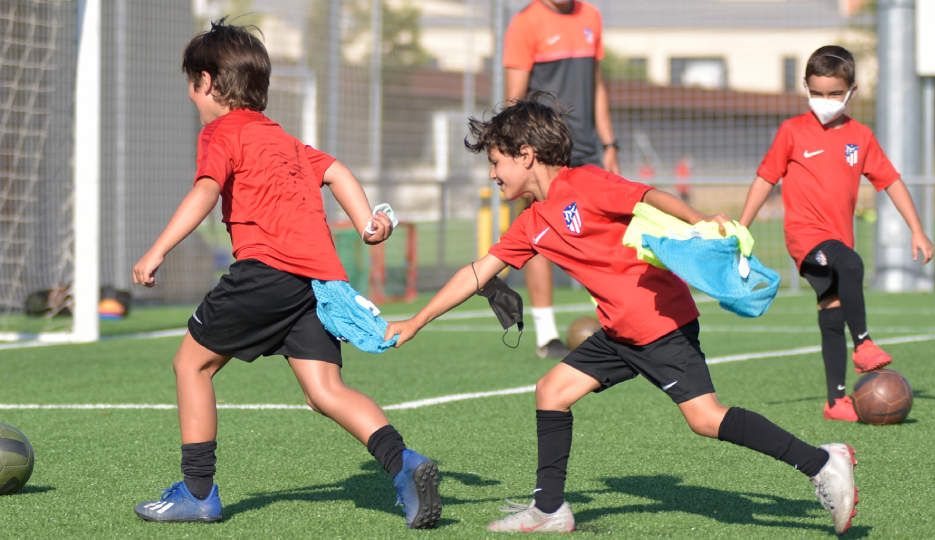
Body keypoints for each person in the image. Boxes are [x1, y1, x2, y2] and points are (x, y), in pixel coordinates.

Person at [385, 98, 859, 535]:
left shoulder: (584, 183)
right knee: (552, 392)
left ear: (526, 154)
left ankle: (821, 462)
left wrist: (700, 224)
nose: (492, 174)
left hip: (659, 325)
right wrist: (416, 320)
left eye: (495, 161)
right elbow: (476, 272)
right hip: (619, 332)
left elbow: (648, 196)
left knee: (706, 418)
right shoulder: (531, 223)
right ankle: (550, 509)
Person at [130, 20, 441, 528]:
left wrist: (157, 250)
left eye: (191, 84)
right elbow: (338, 171)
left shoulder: (220, 132)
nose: (192, 96)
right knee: (324, 390)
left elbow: (206, 192)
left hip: (265, 271)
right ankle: (404, 464)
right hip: (315, 281)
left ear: (206, 83)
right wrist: (367, 223)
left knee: (192, 366)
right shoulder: (286, 139)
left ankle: (197, 492)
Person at [739, 45, 935, 422]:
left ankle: (835, 401)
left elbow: (891, 181)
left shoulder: (860, 137)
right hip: (805, 237)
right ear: (806, 88)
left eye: (833, 94)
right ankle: (863, 344)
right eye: (816, 93)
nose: (824, 101)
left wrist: (917, 229)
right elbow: (765, 179)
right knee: (850, 263)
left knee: (832, 311)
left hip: (837, 239)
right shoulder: (791, 131)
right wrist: (741, 228)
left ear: (851, 92)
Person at [503, 0, 620, 359]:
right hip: (540, 151)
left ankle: (615, 321)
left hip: (586, 148)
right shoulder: (525, 23)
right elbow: (513, 99)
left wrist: (609, 142)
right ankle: (547, 334)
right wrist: (513, 153)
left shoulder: (591, 16)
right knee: (537, 234)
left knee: (600, 230)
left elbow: (596, 85)